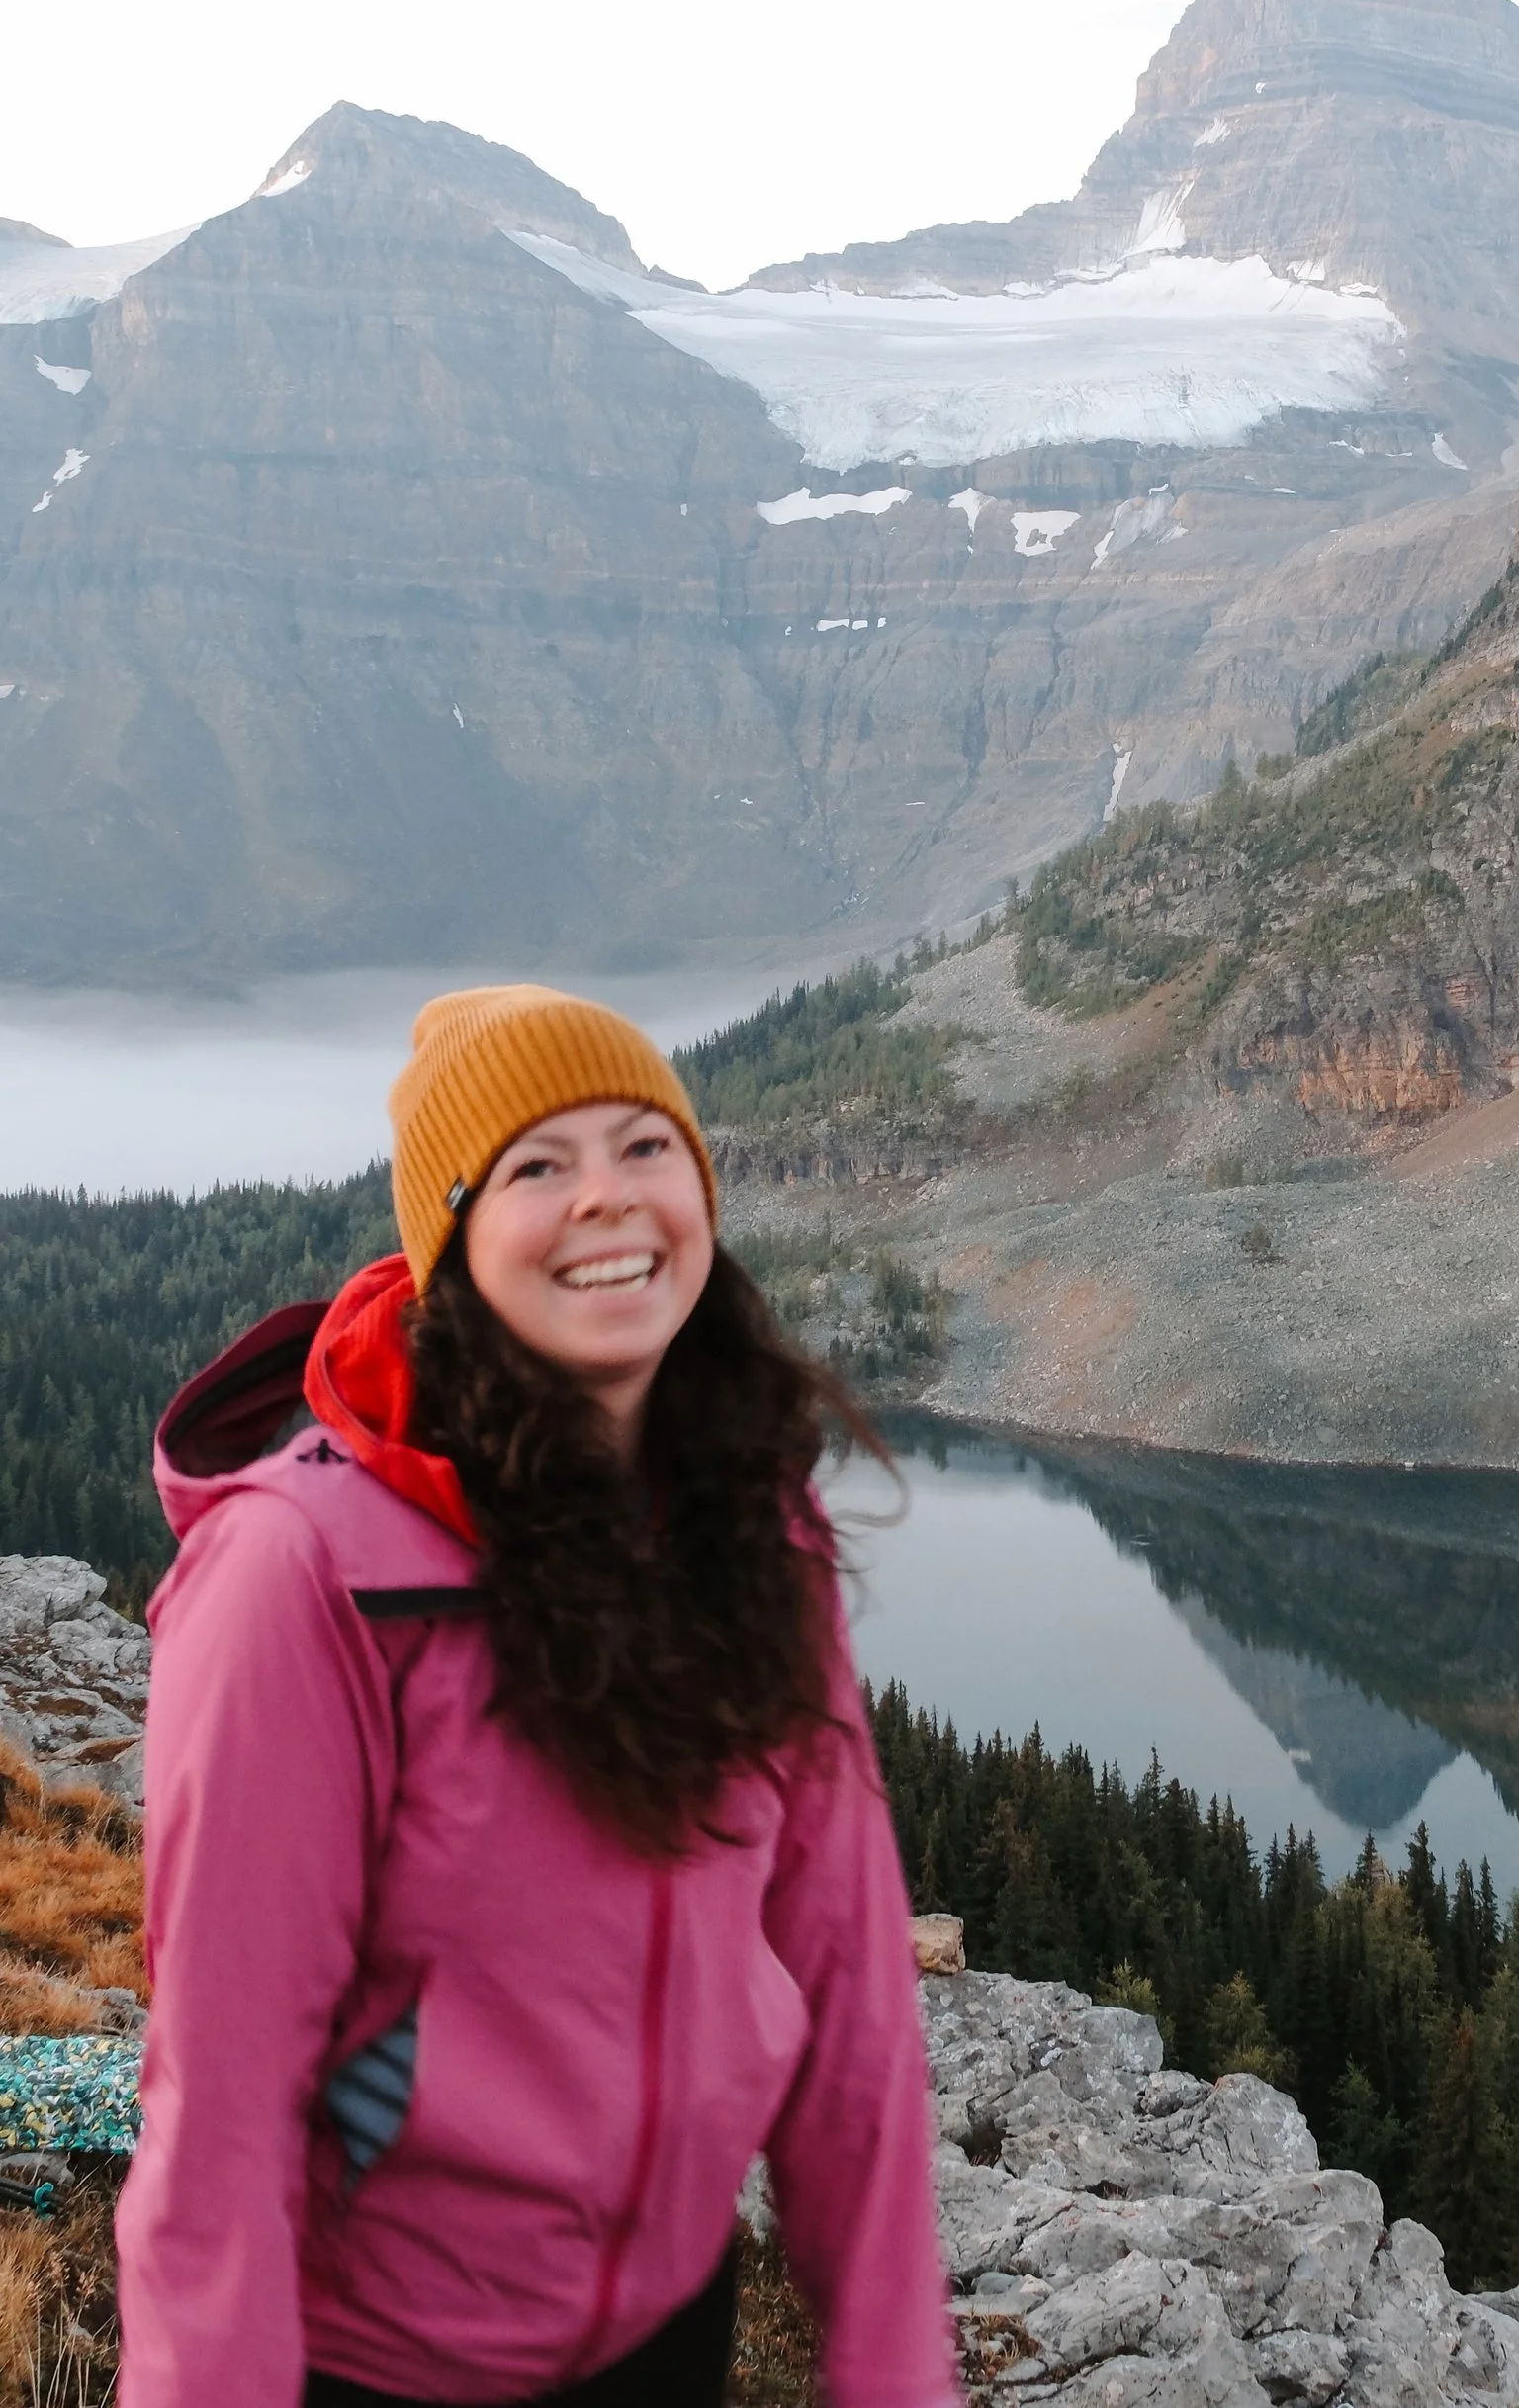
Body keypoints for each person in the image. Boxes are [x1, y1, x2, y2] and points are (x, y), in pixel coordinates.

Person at [117, 984, 962, 2408]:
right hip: (381, 2369)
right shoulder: (300, 1576)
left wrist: (893, 2371)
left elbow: (850, 1987)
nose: (609, 1202)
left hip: (667, 2330)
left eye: (647, 1147)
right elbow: (223, 2114)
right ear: (448, 1241)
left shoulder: (747, 1522)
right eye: (536, 1167)